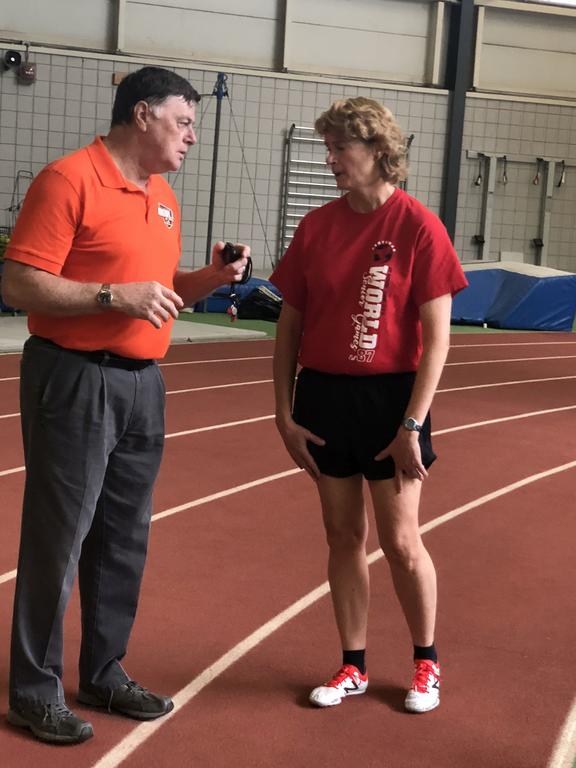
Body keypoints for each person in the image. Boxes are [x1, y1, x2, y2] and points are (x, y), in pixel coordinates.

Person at [2, 66, 249, 745]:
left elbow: (161, 291)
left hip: (143, 383)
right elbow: (20, 284)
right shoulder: (68, 180)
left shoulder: (162, 196)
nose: (192, 136)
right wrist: (113, 296)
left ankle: (103, 672)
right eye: (184, 122)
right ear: (142, 116)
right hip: (76, 377)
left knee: (123, 538)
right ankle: (34, 692)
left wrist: (212, 277)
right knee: (60, 537)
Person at [271, 97, 467, 714]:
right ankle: (353, 665)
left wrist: (412, 424)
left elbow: (438, 340)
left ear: (379, 151)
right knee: (342, 535)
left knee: (401, 539)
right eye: (327, 148)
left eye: (340, 148)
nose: (330, 159)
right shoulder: (316, 228)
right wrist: (283, 413)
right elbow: (289, 326)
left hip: (392, 400)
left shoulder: (418, 227)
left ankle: (426, 662)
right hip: (324, 396)